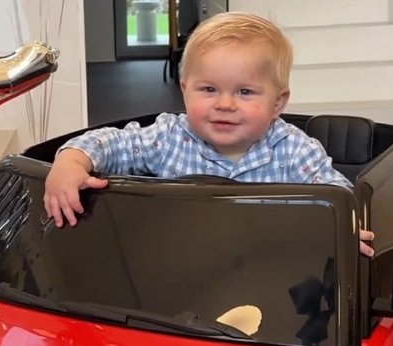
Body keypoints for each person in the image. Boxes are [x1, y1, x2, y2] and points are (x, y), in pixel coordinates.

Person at [44, 11, 375, 256]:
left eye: (245, 92)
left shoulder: (293, 149)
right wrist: (72, 161)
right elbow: (114, 143)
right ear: (185, 91)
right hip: (185, 265)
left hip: (268, 265)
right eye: (209, 89)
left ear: (277, 103)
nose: (225, 104)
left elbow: (337, 193)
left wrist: (337, 227)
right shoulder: (170, 137)